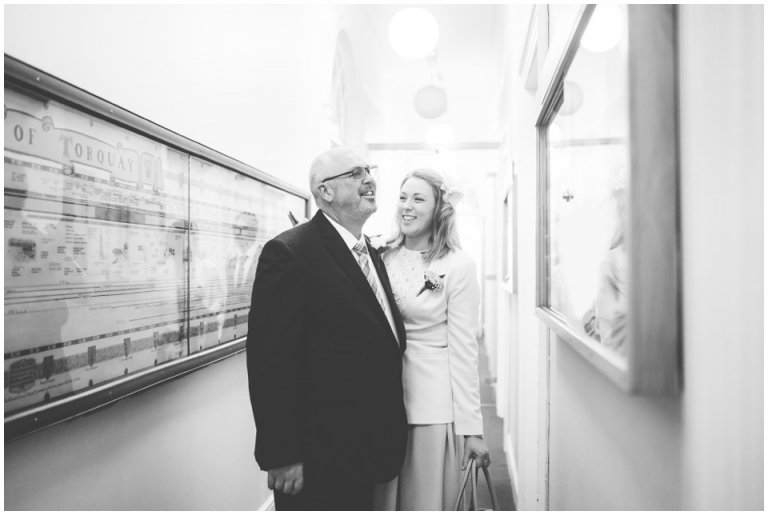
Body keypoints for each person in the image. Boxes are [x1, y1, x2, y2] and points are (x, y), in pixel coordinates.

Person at [245, 147, 408, 510]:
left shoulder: (369, 252)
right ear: (325, 191)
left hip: (364, 448)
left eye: (369, 170)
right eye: (354, 173)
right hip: (318, 456)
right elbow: (269, 363)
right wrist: (282, 453)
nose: (369, 179)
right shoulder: (289, 253)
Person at [373, 168, 490, 511]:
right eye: (403, 196)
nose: (406, 206)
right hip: (381, 398)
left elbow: (465, 350)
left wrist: (472, 429)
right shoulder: (381, 254)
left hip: (429, 405)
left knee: (422, 499)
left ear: (439, 207)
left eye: (418, 198)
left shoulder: (458, 266)